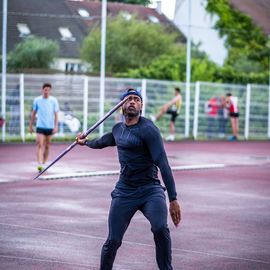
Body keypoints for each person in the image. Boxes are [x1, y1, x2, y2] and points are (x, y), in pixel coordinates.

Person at [76, 88, 181, 270]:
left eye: (137, 99)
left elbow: (163, 164)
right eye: (128, 99)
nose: (132, 101)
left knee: (160, 229)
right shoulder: (118, 130)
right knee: (113, 240)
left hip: (150, 190)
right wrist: (85, 142)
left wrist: (173, 199)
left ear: (141, 106)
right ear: (121, 106)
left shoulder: (149, 130)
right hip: (125, 191)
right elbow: (102, 142)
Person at [29, 83, 59, 172]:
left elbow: (56, 114)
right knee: (39, 144)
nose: (46, 91)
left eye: (48, 90)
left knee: (47, 146)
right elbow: (33, 113)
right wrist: (31, 126)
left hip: (49, 126)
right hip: (40, 126)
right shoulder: (37, 100)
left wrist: (56, 126)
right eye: (45, 89)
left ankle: (44, 163)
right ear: (42, 90)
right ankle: (39, 164)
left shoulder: (54, 100)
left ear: (50, 91)